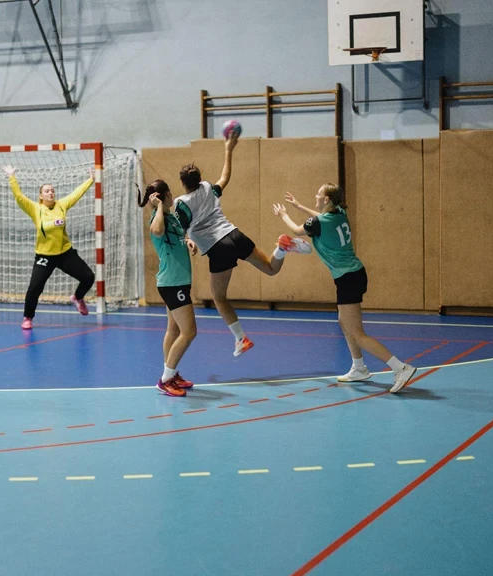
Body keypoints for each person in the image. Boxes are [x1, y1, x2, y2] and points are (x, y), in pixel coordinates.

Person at [174, 130, 311, 357]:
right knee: (270, 269)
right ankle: (282, 247)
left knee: (218, 297)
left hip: (218, 247)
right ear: (198, 179)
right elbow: (224, 178)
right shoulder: (208, 188)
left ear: (182, 183)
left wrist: (188, 240)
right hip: (235, 235)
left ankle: (241, 339)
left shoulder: (181, 204)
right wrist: (228, 150)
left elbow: (179, 230)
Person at [273, 184, 417, 393]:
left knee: (357, 333)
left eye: (319, 194)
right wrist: (299, 206)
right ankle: (359, 368)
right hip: (353, 274)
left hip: (348, 277)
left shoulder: (320, 221)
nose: (316, 195)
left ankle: (400, 367)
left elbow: (297, 230)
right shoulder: (339, 213)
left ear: (327, 200)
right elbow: (318, 219)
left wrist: (284, 214)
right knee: (343, 322)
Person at [2, 165, 96, 329]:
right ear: (40, 196)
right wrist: (12, 177)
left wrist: (91, 180)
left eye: (52, 190)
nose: (51, 193)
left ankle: (78, 297)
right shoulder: (35, 209)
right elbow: (19, 197)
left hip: (65, 253)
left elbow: (76, 194)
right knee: (35, 287)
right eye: (47, 191)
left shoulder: (61, 205)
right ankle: (27, 318)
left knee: (88, 277)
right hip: (44, 256)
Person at [139, 179, 198, 397]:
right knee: (189, 331)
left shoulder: (172, 217)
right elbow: (156, 231)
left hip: (178, 281)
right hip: (172, 283)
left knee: (173, 330)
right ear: (167, 195)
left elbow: (177, 235)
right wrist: (159, 207)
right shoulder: (159, 216)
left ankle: (171, 374)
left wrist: (188, 240)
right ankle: (165, 380)